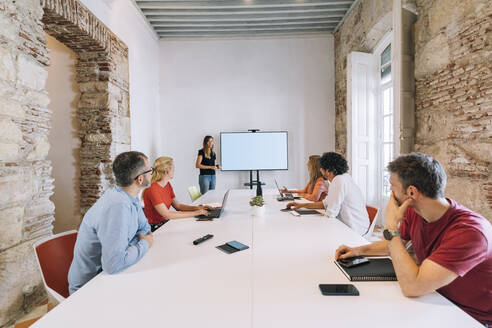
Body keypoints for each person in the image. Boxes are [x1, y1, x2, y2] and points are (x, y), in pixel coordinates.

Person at [335, 153, 492, 326]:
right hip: (437, 298)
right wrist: (359, 250)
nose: (390, 191)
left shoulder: (471, 232)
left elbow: (413, 287)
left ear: (411, 192)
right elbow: (396, 244)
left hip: (470, 317)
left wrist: (391, 226)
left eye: (392, 186)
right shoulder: (414, 211)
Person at [68, 151, 154, 294]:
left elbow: (145, 229)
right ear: (140, 179)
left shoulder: (130, 197)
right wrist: (145, 244)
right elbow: (114, 264)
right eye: (150, 170)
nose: (152, 173)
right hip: (88, 289)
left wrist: (130, 249)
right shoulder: (117, 206)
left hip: (110, 277)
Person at [286, 152, 369, 235]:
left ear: (328, 170)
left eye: (321, 168)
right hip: (360, 226)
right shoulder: (344, 177)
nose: (320, 170)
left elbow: (331, 213)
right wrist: (302, 205)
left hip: (354, 230)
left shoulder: (338, 180)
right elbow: (325, 204)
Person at [144, 156, 209, 229]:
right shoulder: (153, 189)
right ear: (167, 171)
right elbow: (167, 214)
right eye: (173, 168)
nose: (174, 171)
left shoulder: (167, 185)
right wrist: (196, 213)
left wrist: (198, 208)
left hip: (165, 223)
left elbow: (178, 206)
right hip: (156, 227)